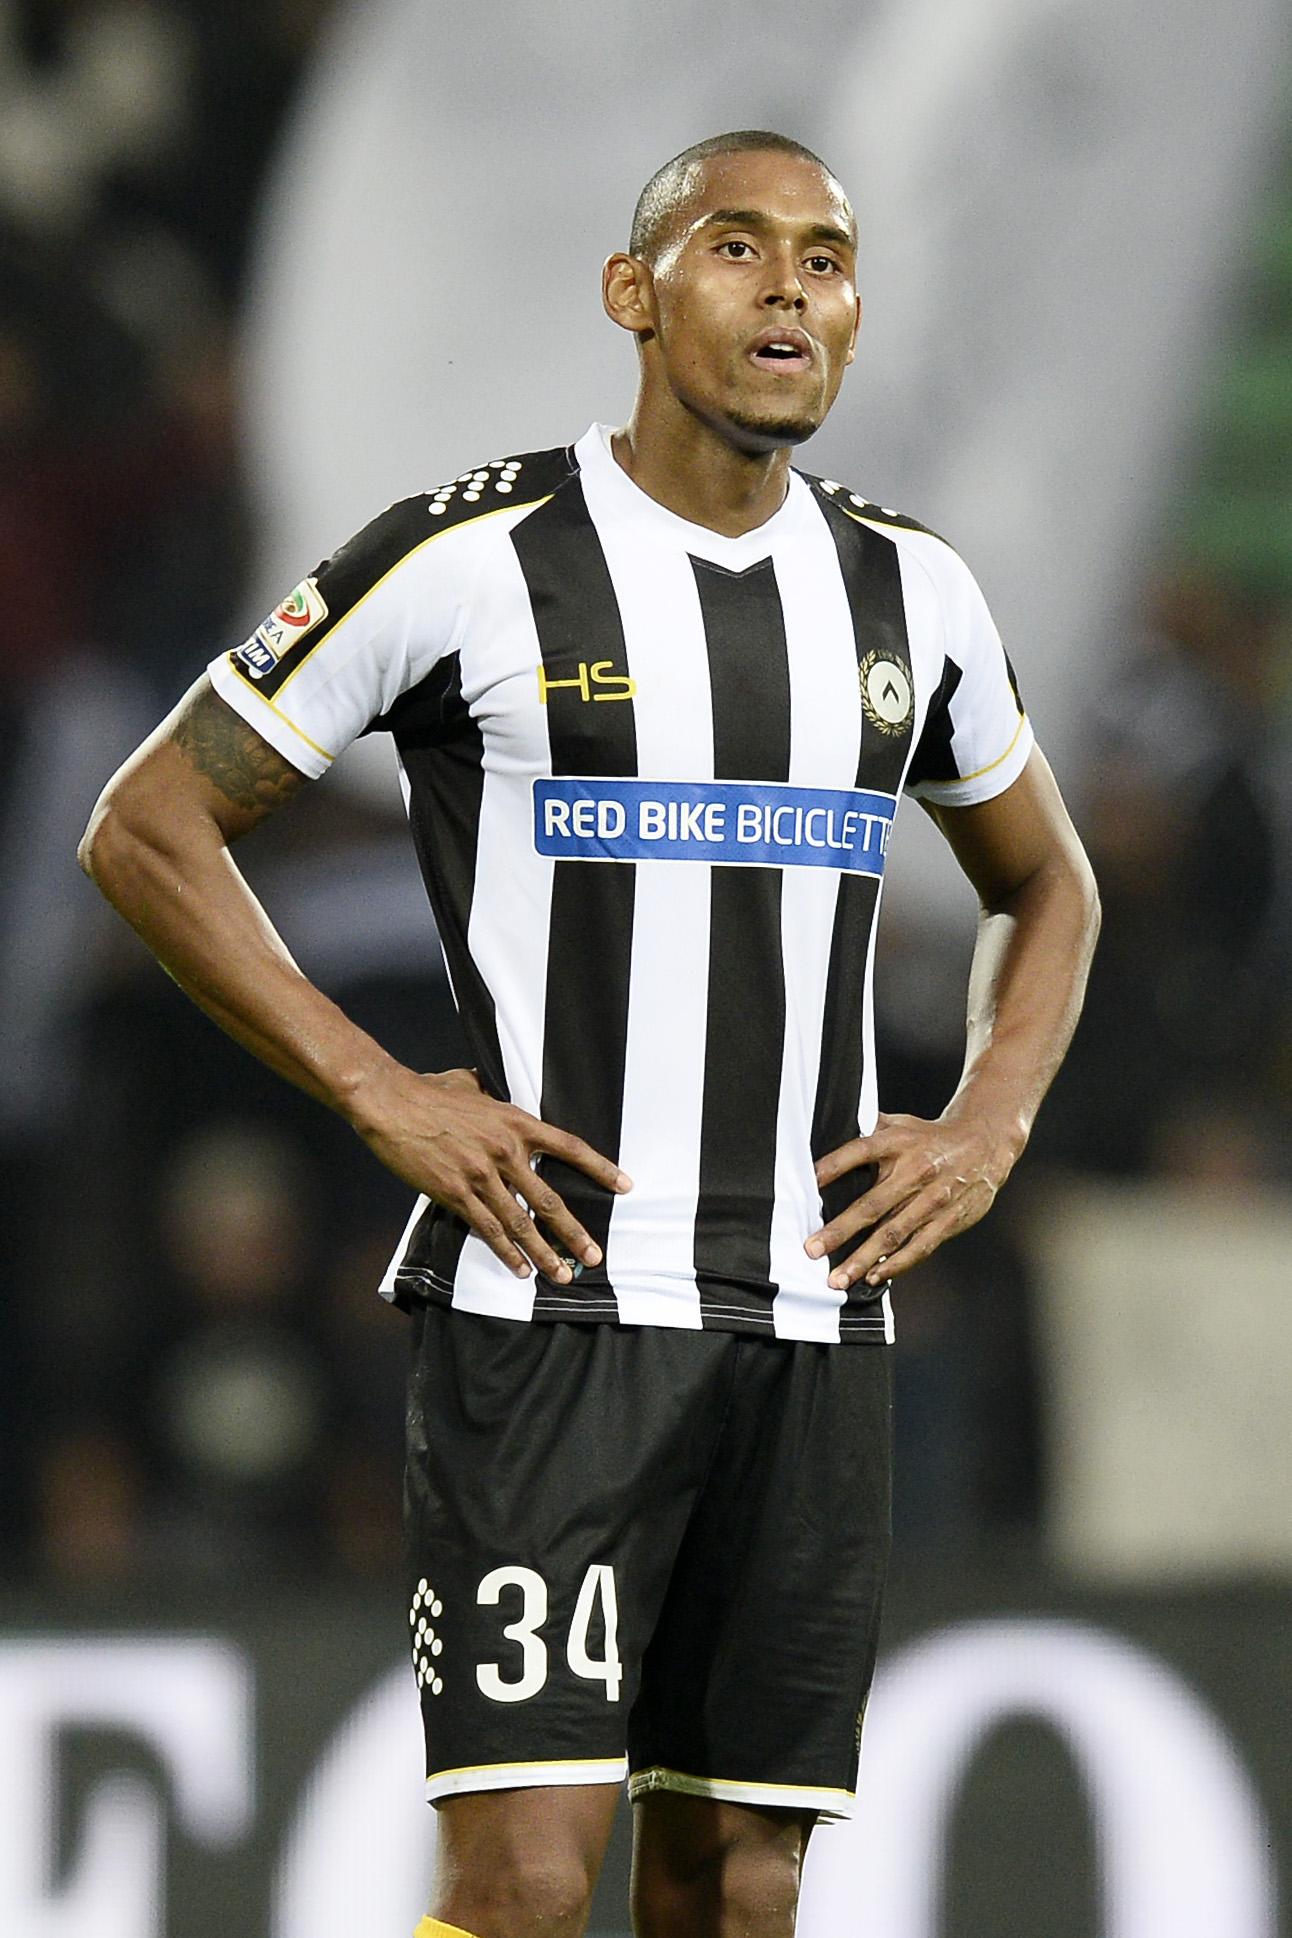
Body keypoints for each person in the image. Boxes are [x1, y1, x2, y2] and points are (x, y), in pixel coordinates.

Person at [80, 130, 1099, 1938]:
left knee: (739, 1886)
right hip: (552, 1306)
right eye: (738, 245)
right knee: (527, 1884)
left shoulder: (910, 591)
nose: (791, 287)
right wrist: (374, 1085)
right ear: (635, 291)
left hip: (809, 1315)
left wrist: (987, 1119)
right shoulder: (471, 557)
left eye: (826, 258)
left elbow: (1048, 882)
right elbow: (147, 824)